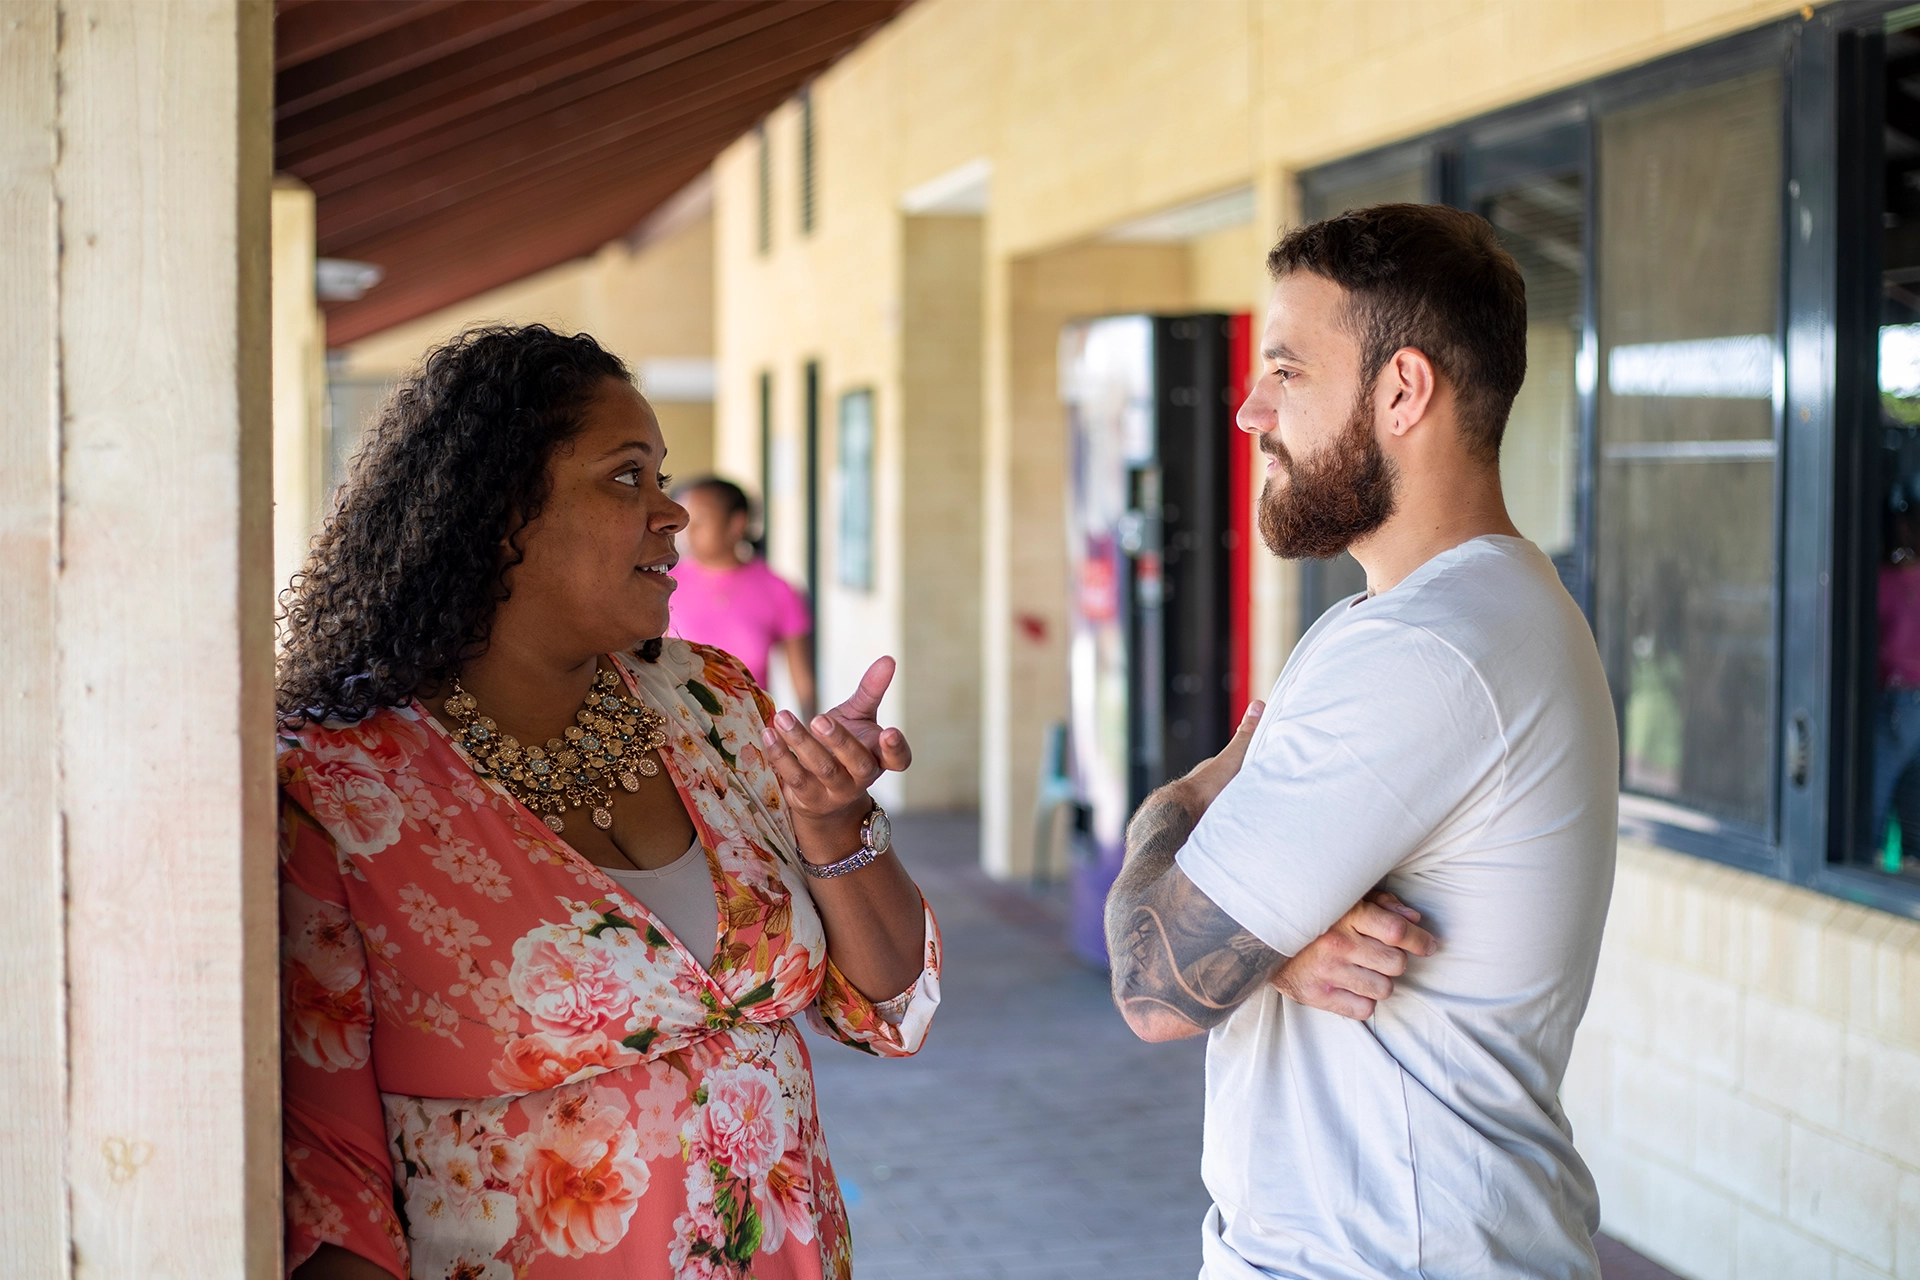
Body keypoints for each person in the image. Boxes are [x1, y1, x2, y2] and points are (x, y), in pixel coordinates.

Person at [275, 325, 940, 1280]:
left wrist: (835, 826)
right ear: (496, 511)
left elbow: (892, 1013)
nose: (671, 513)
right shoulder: (340, 791)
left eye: (661, 475)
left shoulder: (710, 702)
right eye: (628, 477)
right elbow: (328, 1187)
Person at [1105, 204, 1619, 1279]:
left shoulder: (1430, 649)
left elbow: (1156, 980)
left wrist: (1183, 812)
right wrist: (1265, 946)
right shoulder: (1414, 620)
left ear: (1402, 389)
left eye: (1287, 369)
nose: (1249, 410)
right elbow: (1197, 954)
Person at [671, 477, 817, 720]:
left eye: (701, 519)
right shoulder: (664, 587)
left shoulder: (778, 590)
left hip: (752, 739)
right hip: (676, 737)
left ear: (737, 523)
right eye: (685, 520)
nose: (689, 531)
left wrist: (809, 743)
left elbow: (804, 685)